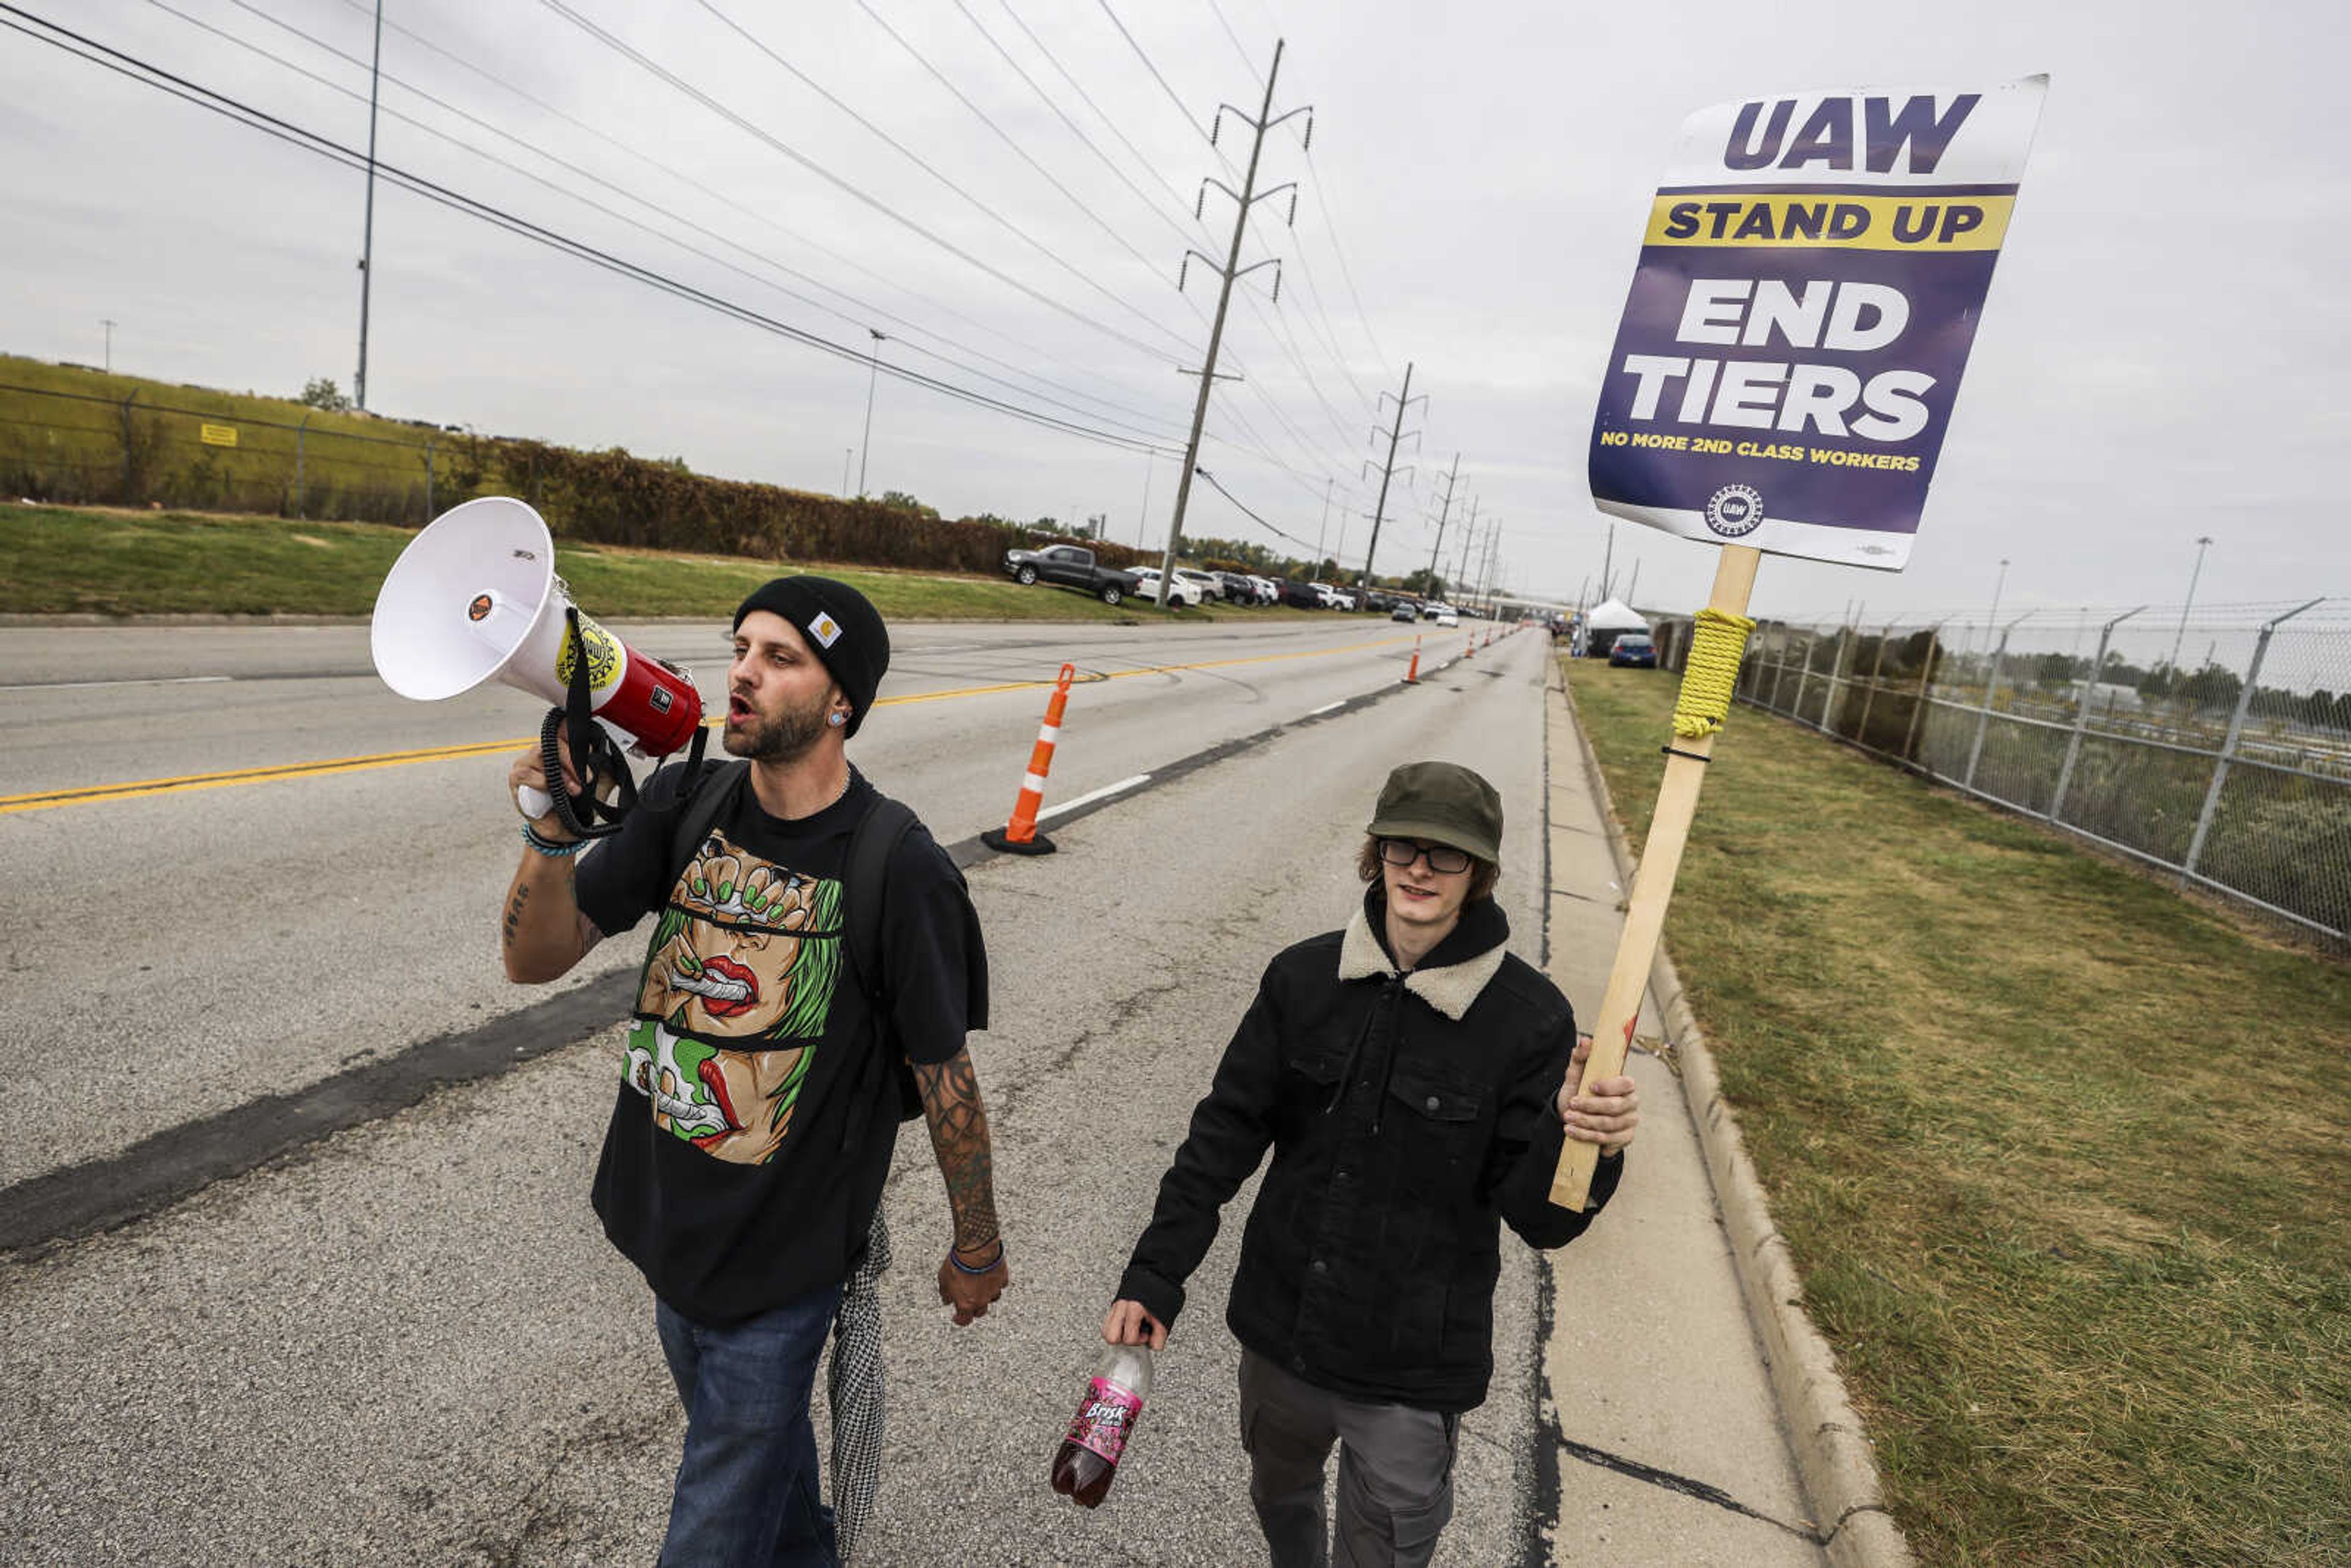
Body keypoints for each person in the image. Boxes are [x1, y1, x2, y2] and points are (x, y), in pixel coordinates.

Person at [499, 576, 1007, 1566]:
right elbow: (533, 958)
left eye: (781, 657)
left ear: (842, 700)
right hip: (669, 1231)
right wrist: (551, 831)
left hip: (781, 1269)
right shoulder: (688, 799)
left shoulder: (896, 866)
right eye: (741, 647)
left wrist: (977, 1242)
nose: (743, 671)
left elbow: (945, 1074)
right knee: (768, 1482)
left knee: (714, 1527)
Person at [1102, 760, 1640, 1568]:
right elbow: (1222, 1137)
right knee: (1279, 1501)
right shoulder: (1302, 977)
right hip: (1281, 1338)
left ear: (1481, 872)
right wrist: (1155, 1273)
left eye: (1446, 853)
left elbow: (1542, 1218)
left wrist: (1586, 1141)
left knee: (1383, 1551)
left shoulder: (1530, 1023)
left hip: (1409, 1374)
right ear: (1376, 852)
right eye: (1402, 845)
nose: (1420, 867)